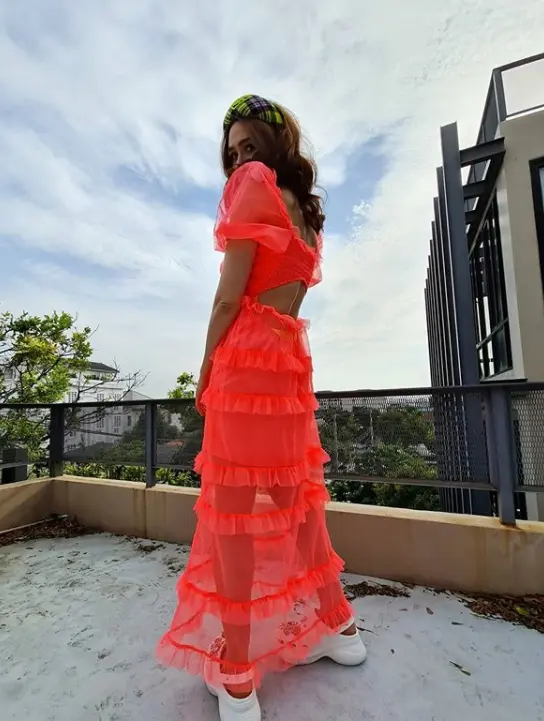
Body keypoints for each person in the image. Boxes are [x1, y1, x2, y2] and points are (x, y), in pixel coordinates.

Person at [156, 94, 367, 721]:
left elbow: (229, 297)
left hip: (248, 359)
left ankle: (239, 676)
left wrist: (205, 366)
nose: (240, 159)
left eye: (249, 145)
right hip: (289, 362)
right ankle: (339, 628)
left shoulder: (253, 184)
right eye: (234, 151)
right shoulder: (308, 213)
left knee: (232, 515)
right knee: (295, 502)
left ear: (275, 143)